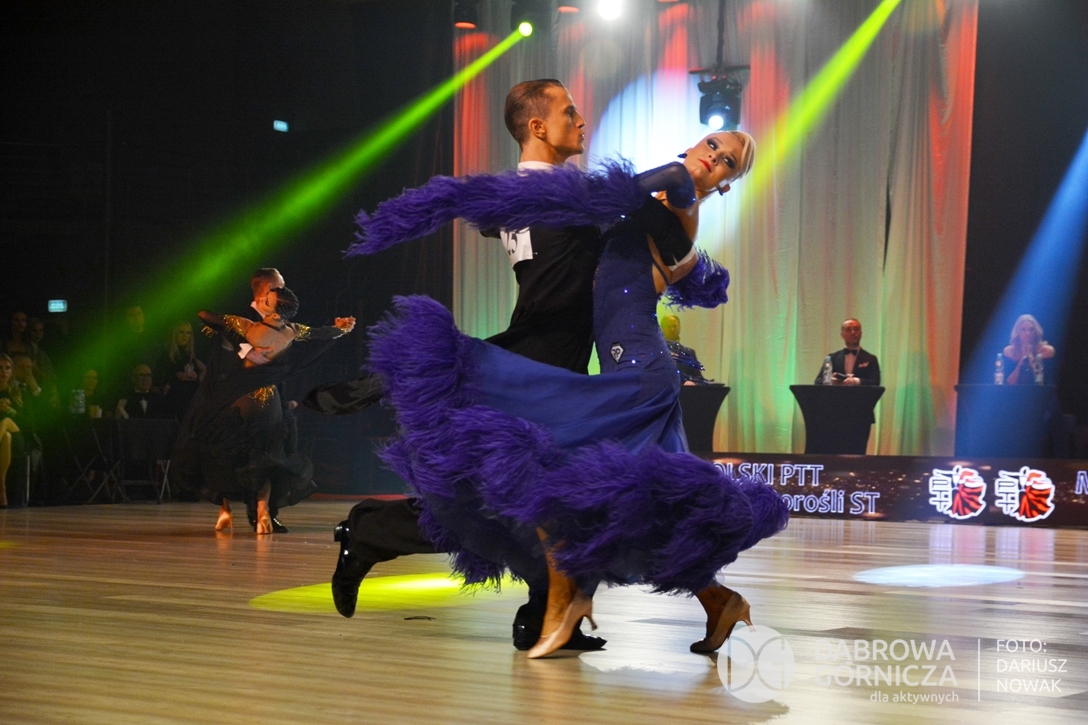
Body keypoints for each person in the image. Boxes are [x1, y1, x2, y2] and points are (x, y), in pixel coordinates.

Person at [358, 129, 786, 658]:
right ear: (694, 144)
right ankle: (719, 601)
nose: (714, 157)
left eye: (728, 163)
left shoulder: (680, 197)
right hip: (635, 370)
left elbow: (633, 189)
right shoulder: (660, 216)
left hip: (640, 375)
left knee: (555, 462)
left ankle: (567, 598)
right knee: (654, 508)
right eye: (713, 145)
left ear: (725, 184)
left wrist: (536, 196)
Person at [322, 79, 697, 652]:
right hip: (537, 366)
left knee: (542, 500)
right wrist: (682, 177)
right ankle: (371, 531)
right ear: (538, 127)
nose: (581, 119)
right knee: (498, 505)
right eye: (569, 111)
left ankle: (541, 615)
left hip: (552, 364)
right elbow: (631, 200)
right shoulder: (546, 193)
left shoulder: (530, 194)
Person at [171, 287, 355, 534]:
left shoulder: (249, 327)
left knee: (221, 447)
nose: (261, 300)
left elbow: (205, 315)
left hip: (240, 395)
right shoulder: (293, 331)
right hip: (269, 396)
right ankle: (263, 510)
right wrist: (341, 328)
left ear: (276, 313)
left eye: (267, 301)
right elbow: (324, 333)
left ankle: (225, 507)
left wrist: (235, 329)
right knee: (267, 455)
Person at [156, 321, 206, 419]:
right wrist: (176, 375)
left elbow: (203, 370)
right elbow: (160, 376)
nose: (185, 336)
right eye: (181, 332)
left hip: (191, 399)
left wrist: (196, 376)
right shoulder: (166, 355)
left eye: (188, 333)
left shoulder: (191, 355)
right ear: (175, 334)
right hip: (174, 400)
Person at [814, 318, 881, 386]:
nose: (853, 332)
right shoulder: (832, 358)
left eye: (856, 329)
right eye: (848, 329)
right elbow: (818, 381)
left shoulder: (871, 359)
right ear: (842, 334)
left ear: (861, 333)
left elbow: (875, 382)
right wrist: (830, 380)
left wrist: (856, 381)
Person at [1002, 314, 1055, 385]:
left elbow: (1041, 382)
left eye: (1031, 329)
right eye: (1023, 329)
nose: (1027, 333)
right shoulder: (1009, 351)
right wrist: (1021, 362)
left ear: (1036, 332)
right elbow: (1009, 382)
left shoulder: (1047, 350)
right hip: (1014, 390)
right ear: (1017, 332)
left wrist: (1031, 361)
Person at [0, 354, 23, 507]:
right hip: (5, 438)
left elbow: (29, 422)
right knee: (6, 436)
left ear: (12, 371)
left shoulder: (17, 391)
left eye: (7, 368)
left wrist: (9, 410)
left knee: (6, 422)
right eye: (0, 368)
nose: (4, 372)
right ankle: (1, 487)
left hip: (18, 435)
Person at [660, 313, 708, 384]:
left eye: (674, 326)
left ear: (679, 327)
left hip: (683, 390)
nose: (672, 329)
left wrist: (692, 382)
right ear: (662, 328)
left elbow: (699, 379)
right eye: (668, 326)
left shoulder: (688, 353)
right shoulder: (655, 352)